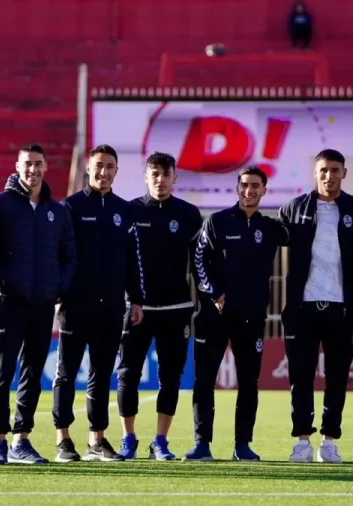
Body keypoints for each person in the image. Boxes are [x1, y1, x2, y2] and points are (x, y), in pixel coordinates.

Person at [276, 149, 353, 464]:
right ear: (314, 172)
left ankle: (329, 441)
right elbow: (264, 237)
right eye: (323, 170)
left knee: (337, 377)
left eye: (335, 170)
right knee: (300, 377)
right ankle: (302, 442)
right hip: (302, 309)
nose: (328, 176)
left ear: (344, 173)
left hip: (341, 309)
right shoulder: (294, 209)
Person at [184, 166, 289, 462]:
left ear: (264, 190)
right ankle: (201, 443)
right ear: (237, 187)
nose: (249, 190)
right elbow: (199, 258)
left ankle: (242, 444)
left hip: (252, 317)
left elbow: (302, 230)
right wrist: (214, 292)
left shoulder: (270, 228)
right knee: (204, 379)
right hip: (213, 315)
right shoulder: (217, 221)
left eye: (255, 186)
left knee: (248, 382)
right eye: (244, 185)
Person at [0, 144, 76, 465]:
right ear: (17, 166)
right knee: (1, 372)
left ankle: (22, 440)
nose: (32, 170)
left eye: (38, 164)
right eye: (27, 164)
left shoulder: (58, 211)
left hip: (42, 304)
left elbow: (69, 255)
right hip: (6, 301)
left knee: (33, 374)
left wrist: (59, 287)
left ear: (45, 167)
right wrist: (6, 282)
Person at [53, 144, 145, 463]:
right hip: (75, 305)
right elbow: (58, 255)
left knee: (102, 374)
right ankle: (63, 440)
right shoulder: (70, 207)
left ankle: (97, 440)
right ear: (88, 168)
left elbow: (133, 260)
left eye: (109, 166)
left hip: (111, 308)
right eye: (98, 165)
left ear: (116, 172)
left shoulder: (125, 210)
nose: (103, 171)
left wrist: (136, 299)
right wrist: (59, 293)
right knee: (66, 373)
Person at [116, 152, 203, 460]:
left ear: (175, 178)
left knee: (171, 378)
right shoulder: (128, 212)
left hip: (176, 309)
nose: (161, 180)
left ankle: (160, 441)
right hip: (137, 309)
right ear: (146, 177)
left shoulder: (190, 214)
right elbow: (119, 261)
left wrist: (206, 297)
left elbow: (200, 263)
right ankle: (128, 438)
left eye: (167, 175)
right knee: (128, 374)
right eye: (155, 174)